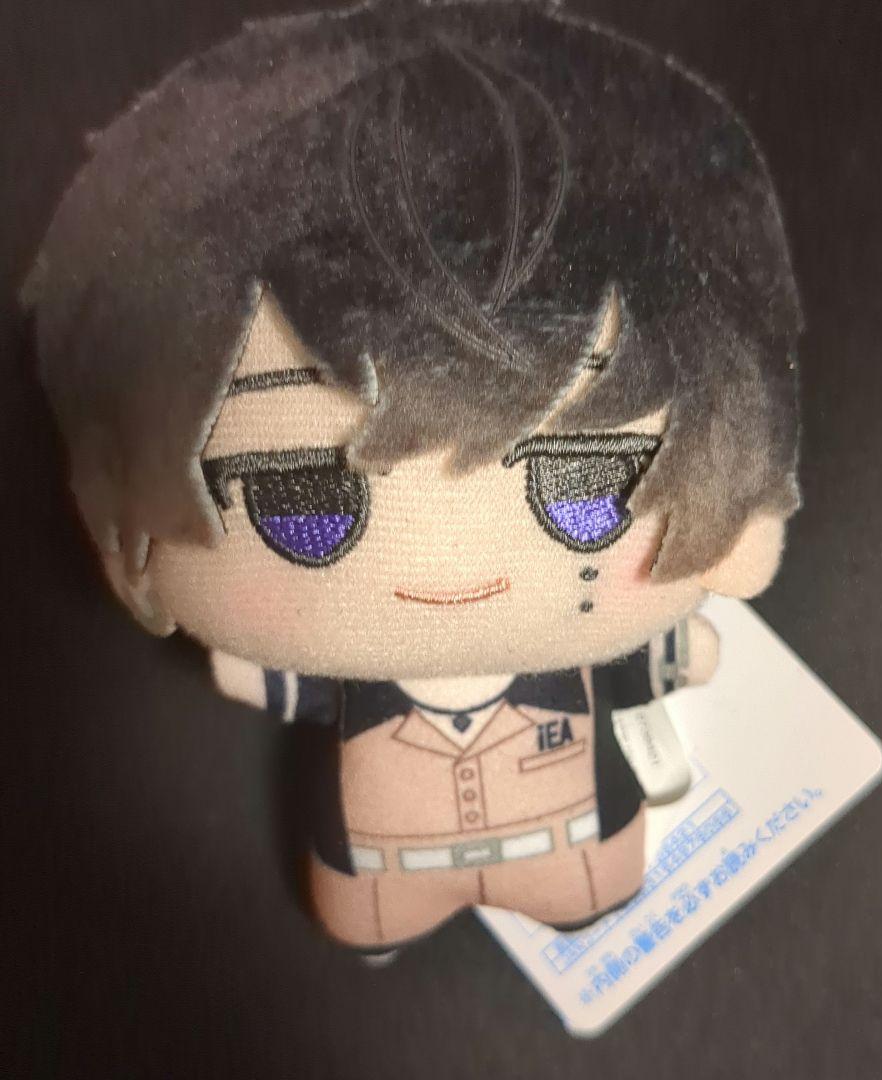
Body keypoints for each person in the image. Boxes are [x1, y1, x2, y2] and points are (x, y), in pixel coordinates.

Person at [24, 1, 802, 950]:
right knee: (375, 912)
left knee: (570, 885)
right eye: (303, 503)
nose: (449, 578)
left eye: (582, 489)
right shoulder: (343, 680)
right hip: (378, 870)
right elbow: (255, 678)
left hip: (575, 842)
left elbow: (678, 654)